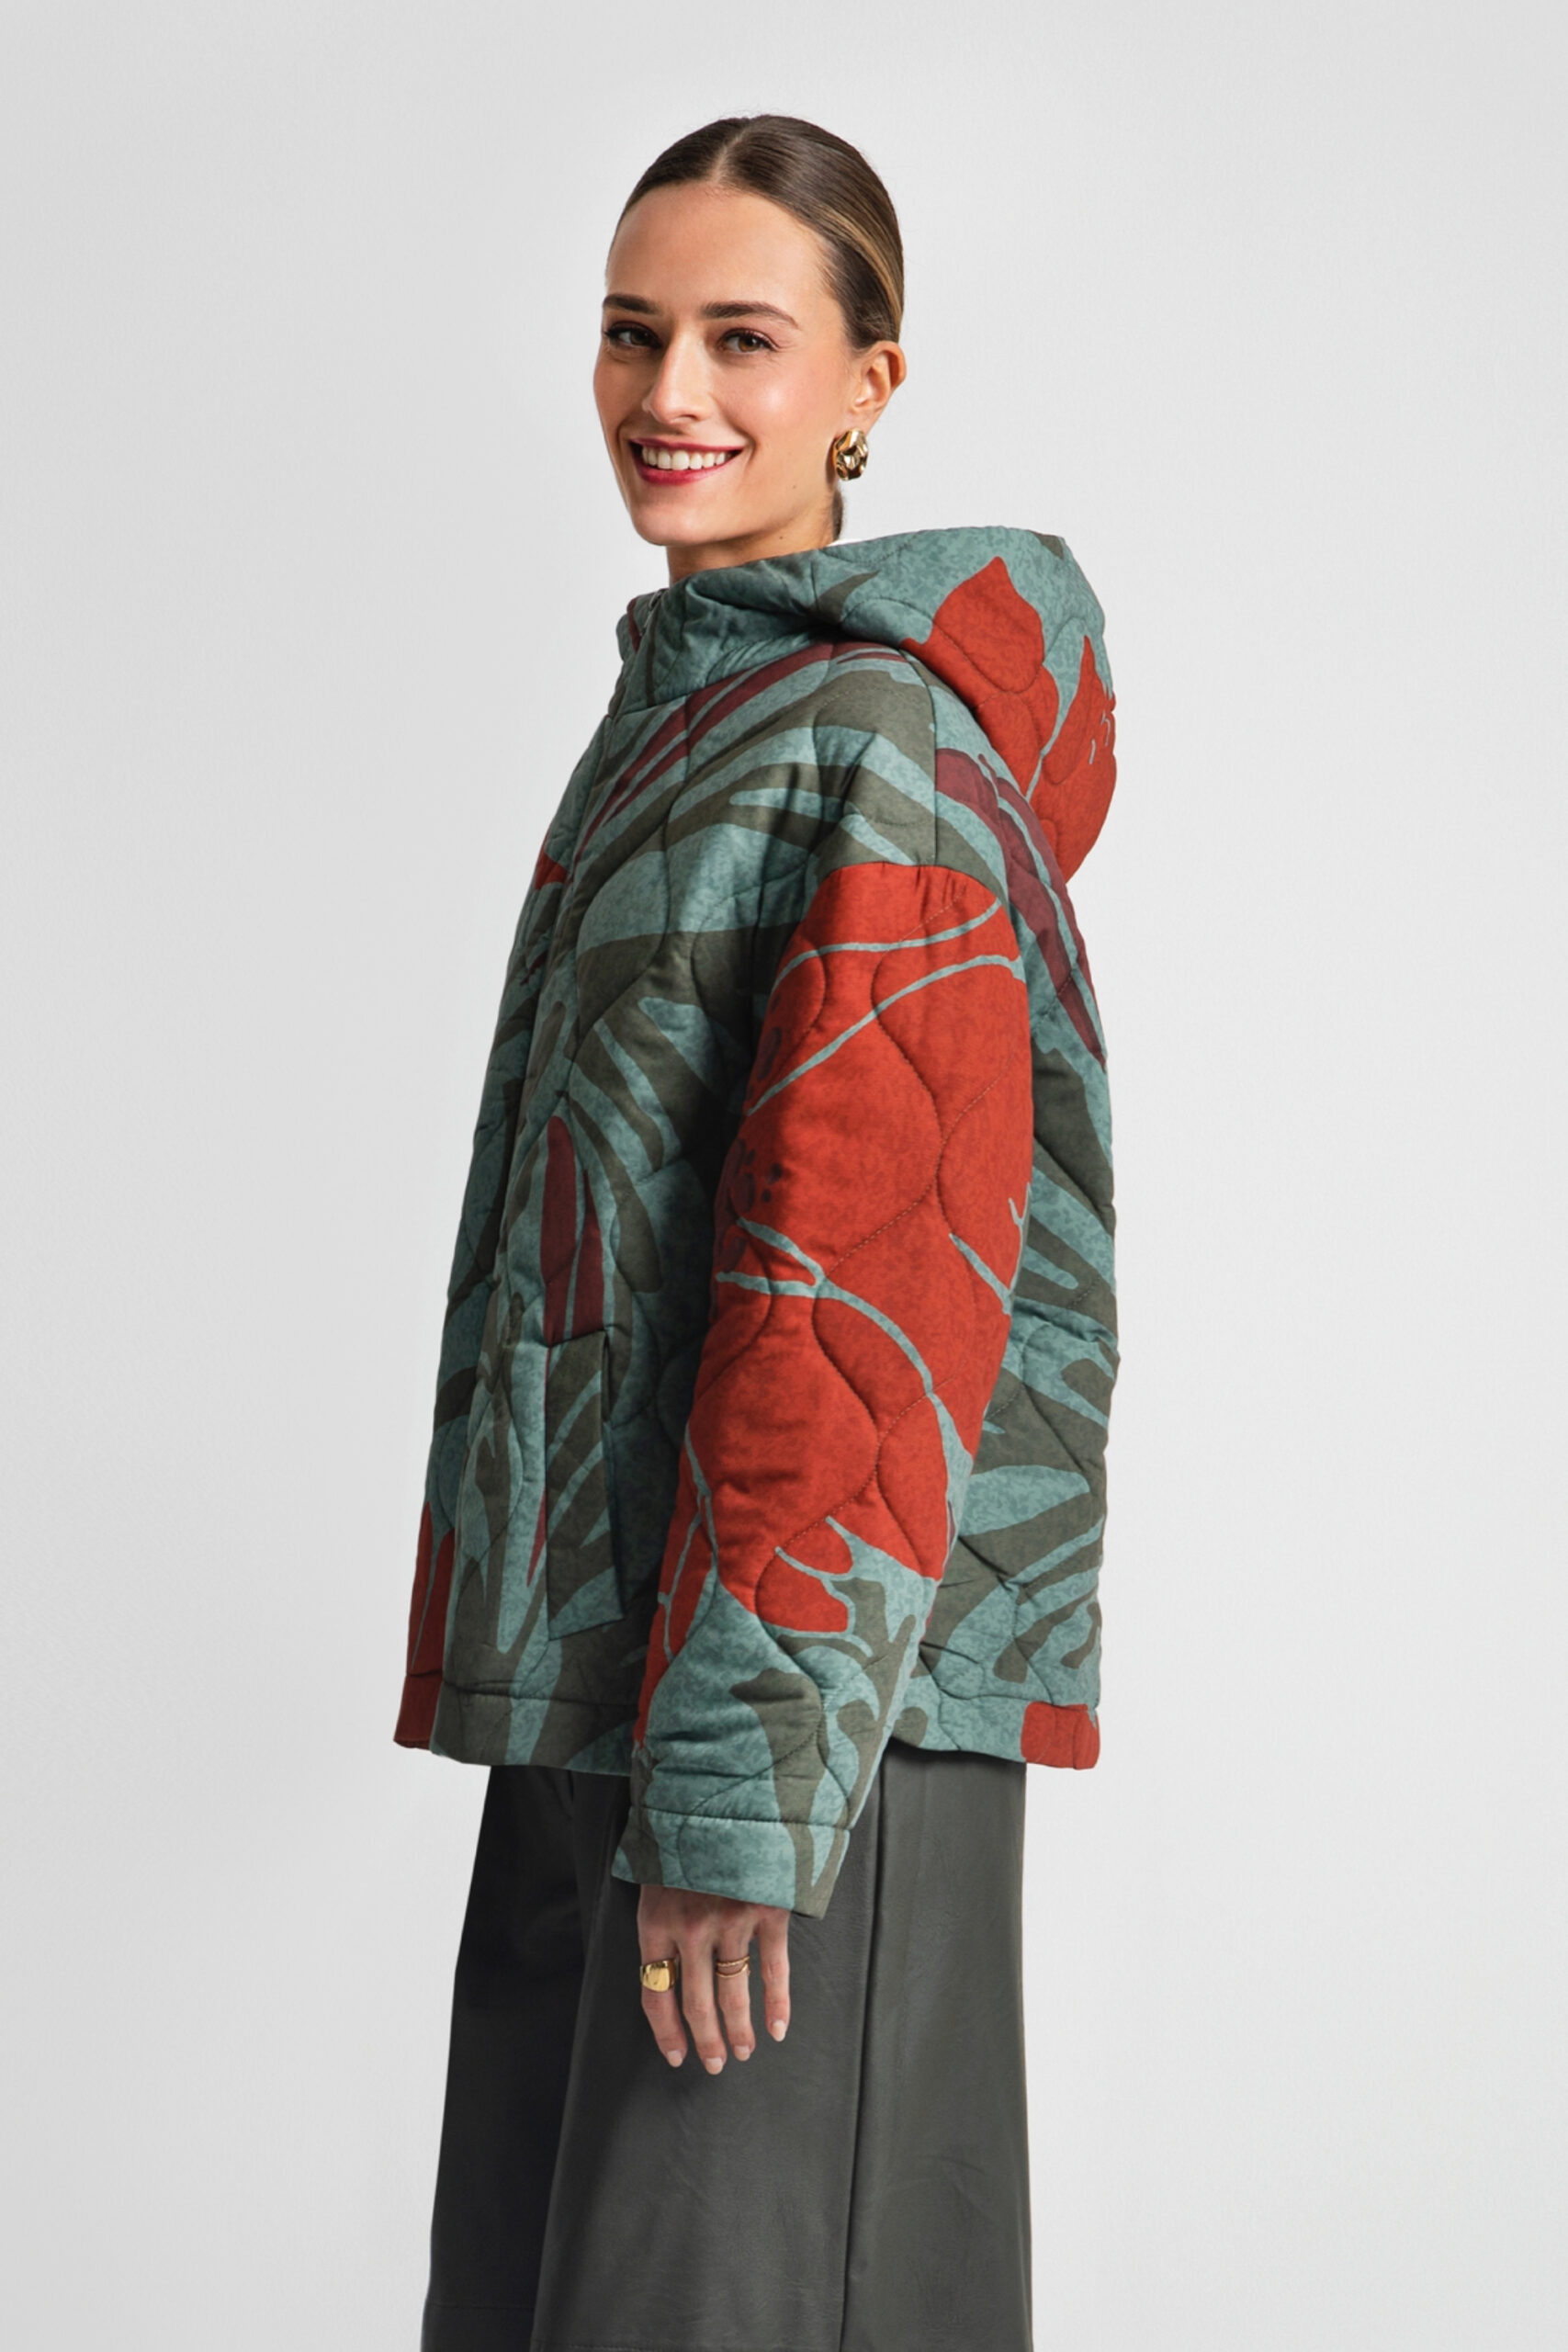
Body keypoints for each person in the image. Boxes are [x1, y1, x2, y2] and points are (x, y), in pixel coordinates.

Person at [396, 112, 1118, 2352]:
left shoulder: (870, 741)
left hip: (794, 1734)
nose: (667, 392)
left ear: (866, 383)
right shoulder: (688, 721)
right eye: (631, 334)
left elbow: (857, 1291)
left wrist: (736, 1801)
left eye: (739, 336)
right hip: (629, 1695)